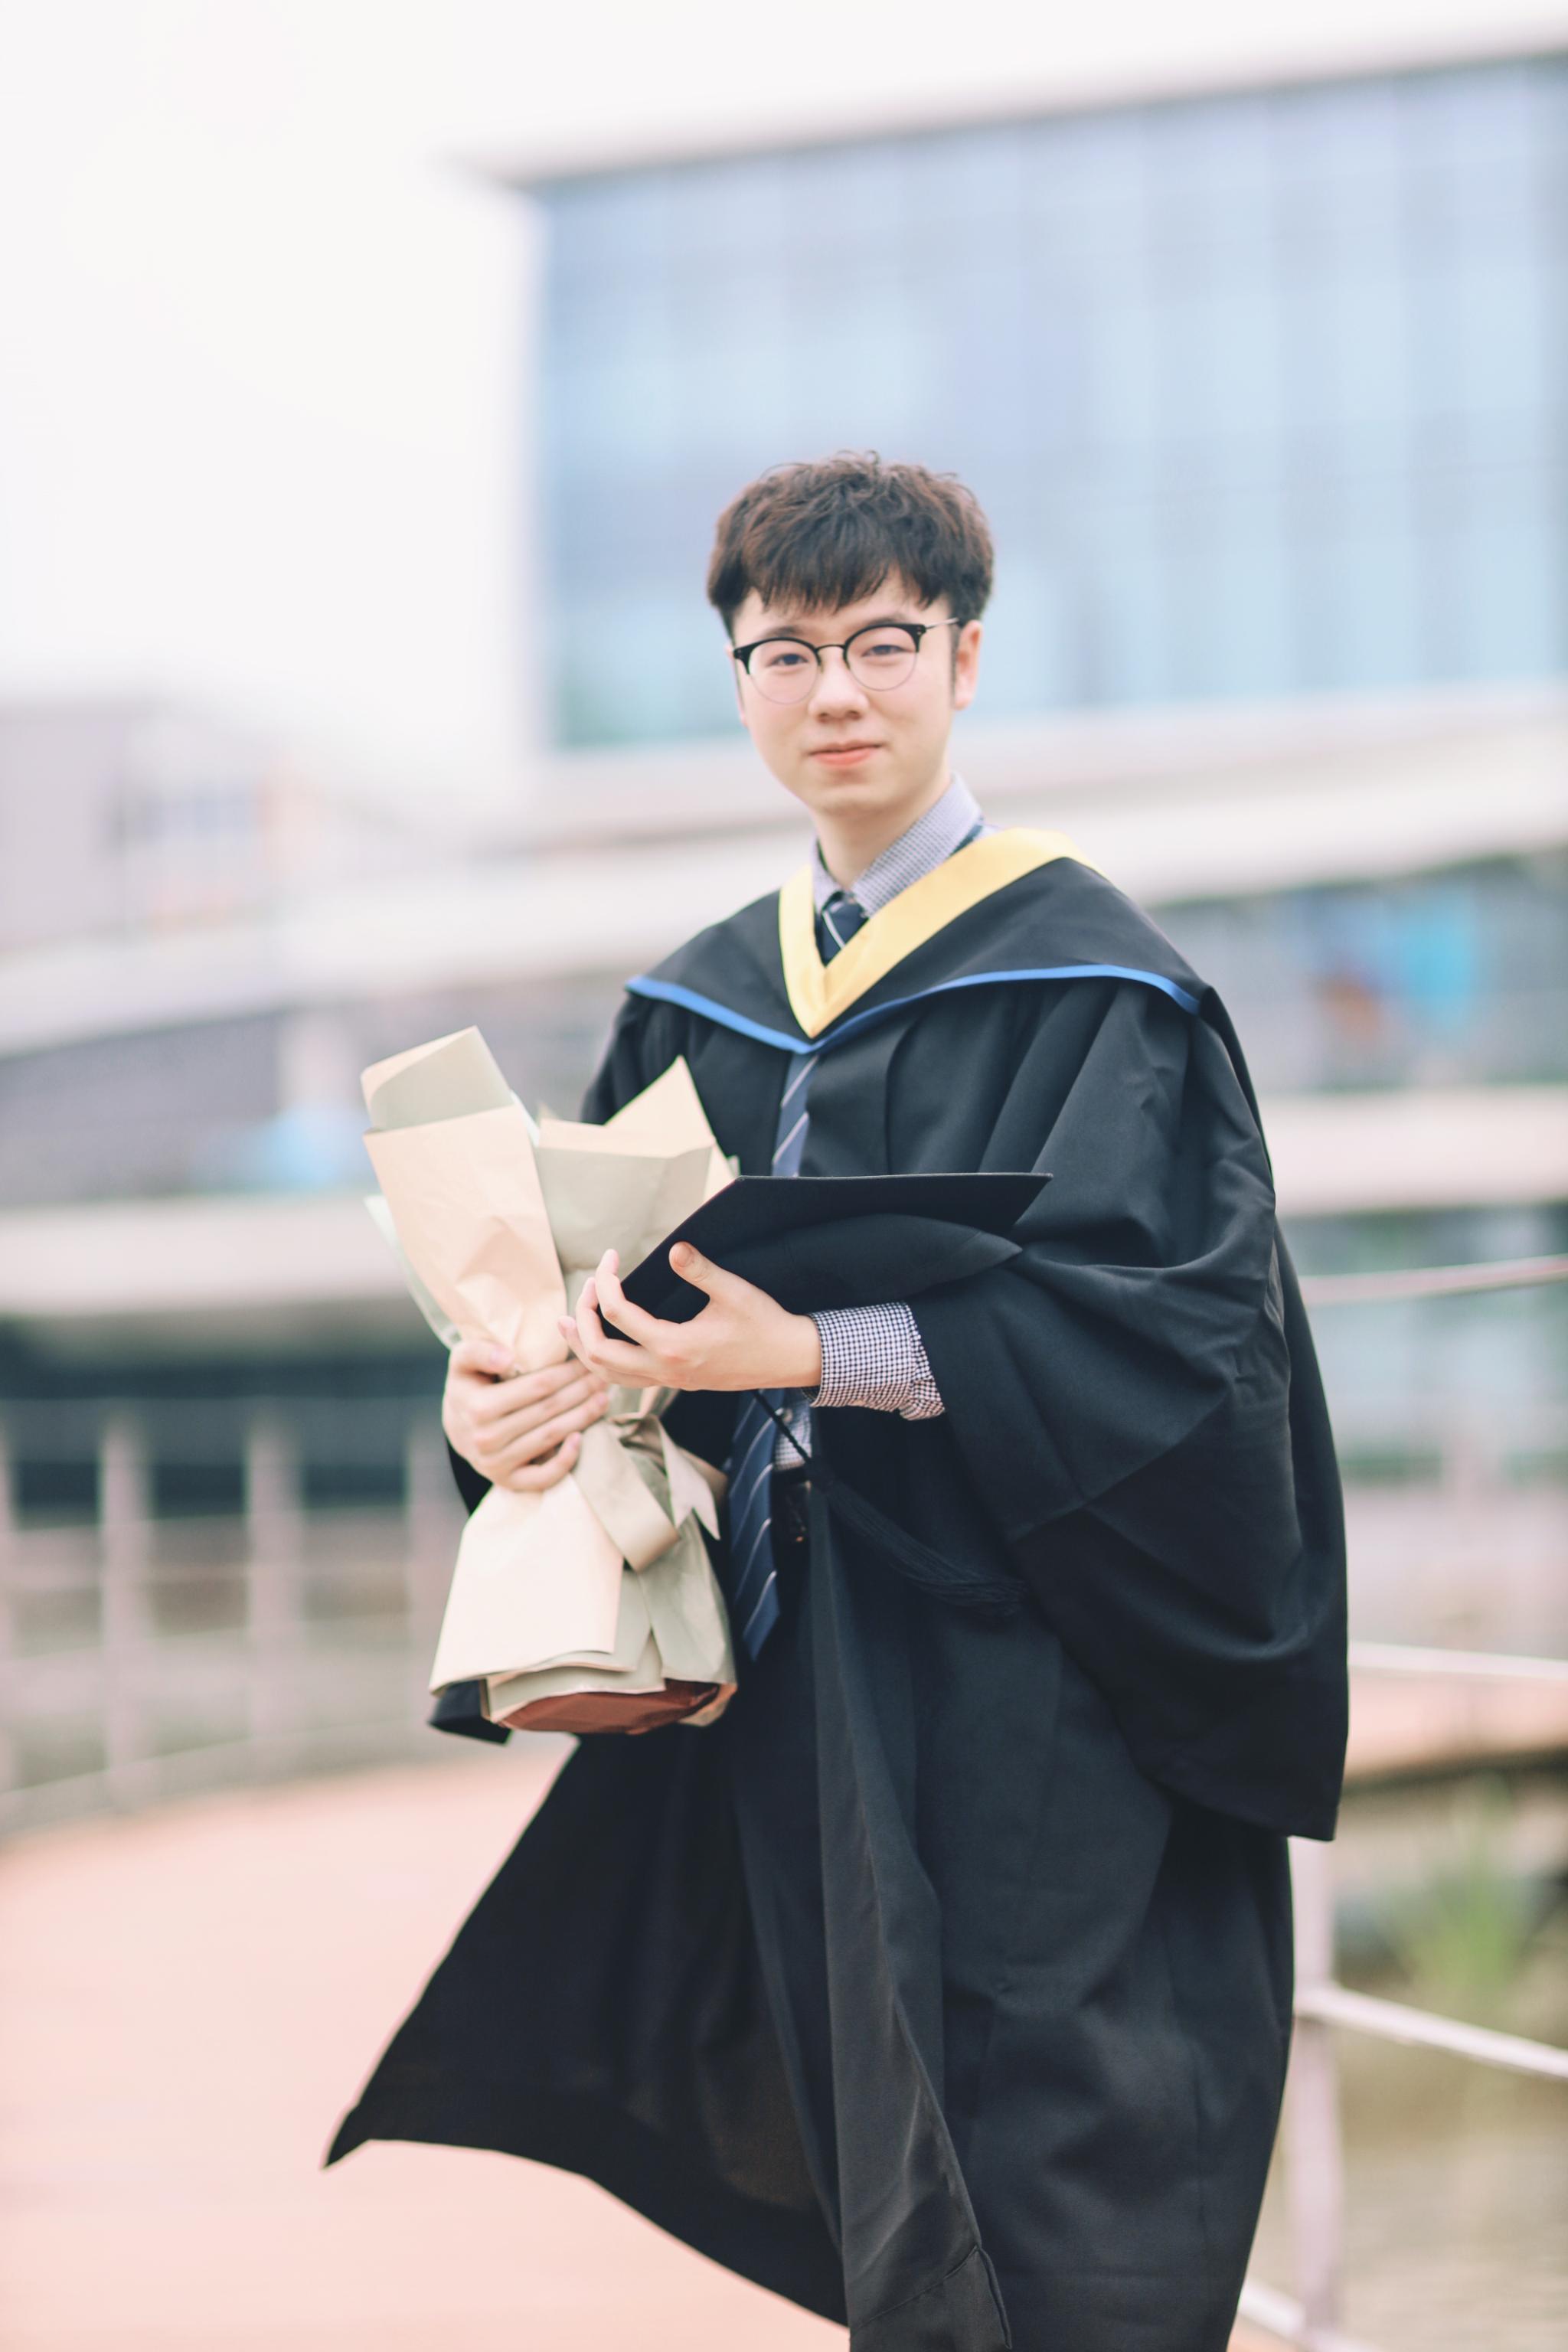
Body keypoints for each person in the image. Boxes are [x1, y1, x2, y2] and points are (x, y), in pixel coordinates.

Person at [327, 452, 1348, 2352]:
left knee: (1066, 2194)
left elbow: (1191, 1356)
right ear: (738, 682)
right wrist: (510, 1419)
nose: (837, 692)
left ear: (965, 658)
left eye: (883, 643)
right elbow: (602, 1327)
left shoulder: (1097, 989)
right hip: (797, 1694)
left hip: (1039, 1696)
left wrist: (809, 1354)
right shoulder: (698, 1003)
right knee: (890, 2203)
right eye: (784, 654)